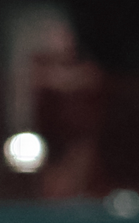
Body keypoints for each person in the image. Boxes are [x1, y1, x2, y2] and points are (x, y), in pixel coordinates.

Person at [23, 21, 103, 199]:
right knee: (51, 184)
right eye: (55, 38)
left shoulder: (84, 61)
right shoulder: (39, 61)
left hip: (78, 136)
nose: (59, 42)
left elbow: (91, 76)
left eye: (64, 37)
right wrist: (61, 78)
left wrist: (65, 79)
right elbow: (40, 78)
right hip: (48, 136)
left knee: (78, 179)